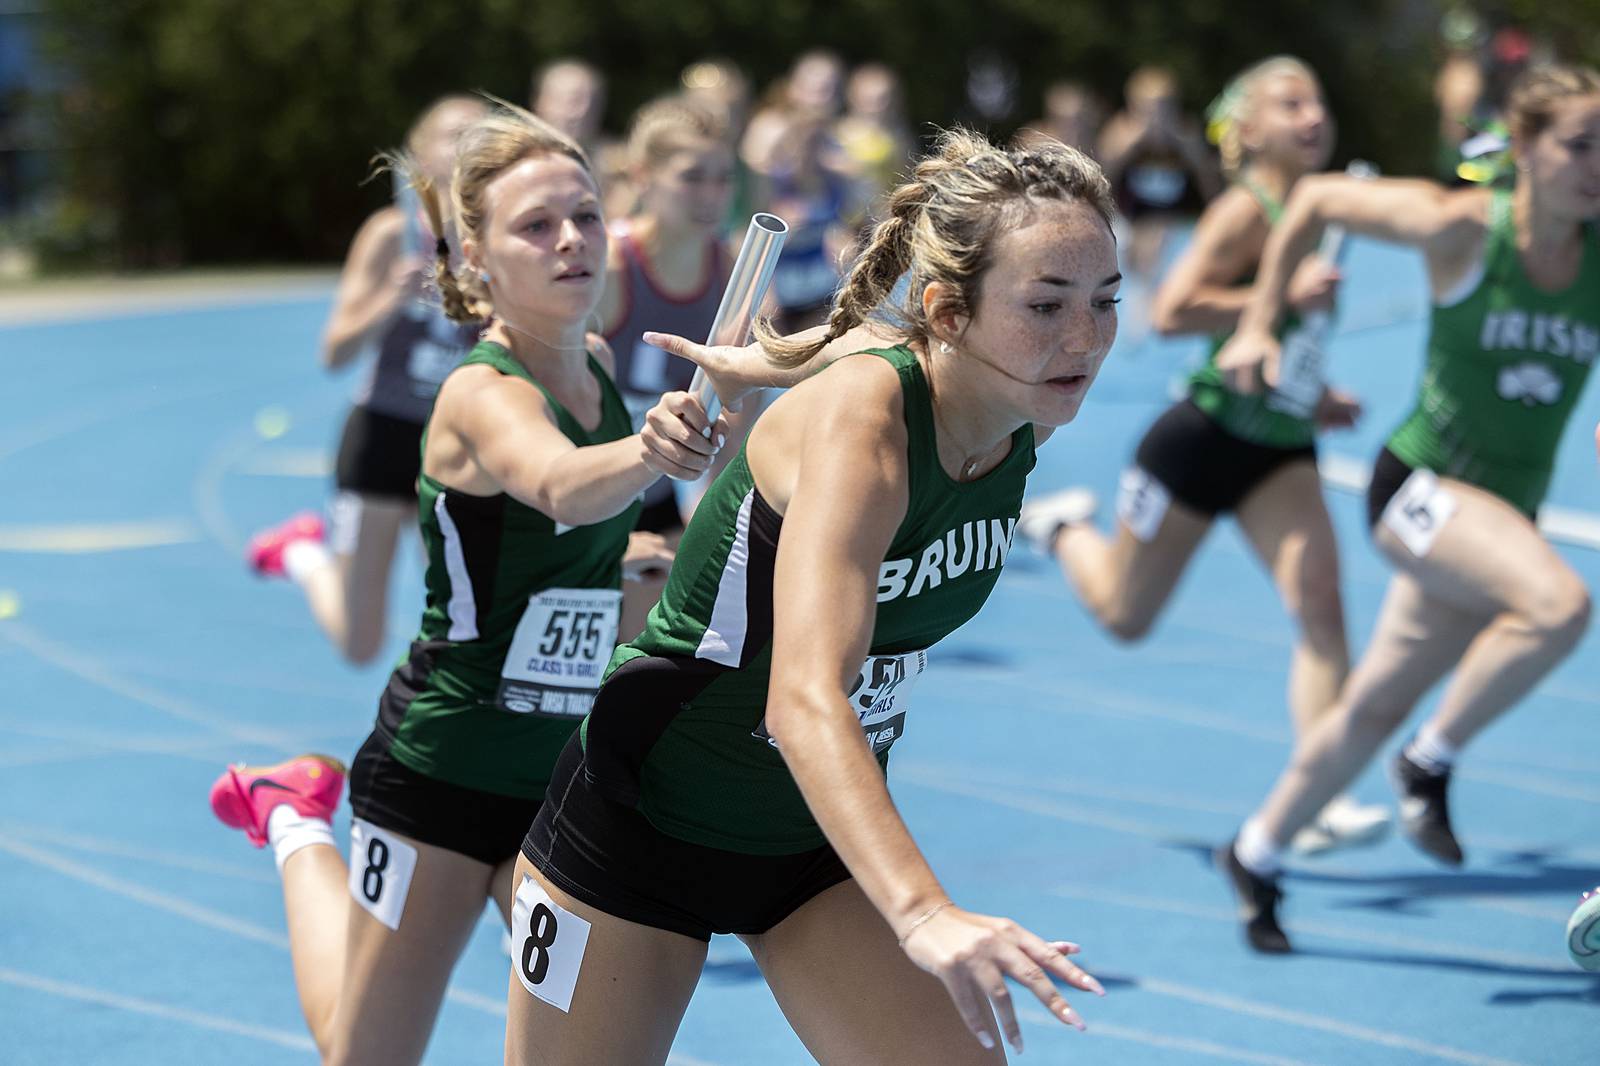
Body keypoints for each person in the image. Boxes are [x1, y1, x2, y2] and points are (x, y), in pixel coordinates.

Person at [502, 129, 1115, 1065]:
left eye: (1105, 303)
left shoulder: (1018, 407)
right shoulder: (864, 422)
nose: (1085, 339)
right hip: (642, 819)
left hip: (806, 842)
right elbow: (801, 699)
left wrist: (770, 358)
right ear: (950, 312)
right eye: (1045, 305)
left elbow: (873, 332)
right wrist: (924, 913)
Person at [208, 102, 732, 1063]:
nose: (571, 239)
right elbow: (560, 487)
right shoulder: (479, 393)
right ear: (476, 258)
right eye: (537, 225)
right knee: (364, 1054)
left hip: (561, 780)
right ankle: (291, 817)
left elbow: (580, 554)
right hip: (442, 768)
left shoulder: (606, 370)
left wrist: (640, 576)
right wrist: (651, 450)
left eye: (583, 213)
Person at [1214, 64, 1600, 953]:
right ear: (1528, 149)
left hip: (1499, 518)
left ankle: (1257, 849)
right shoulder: (1462, 226)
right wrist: (1259, 322)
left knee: (1370, 708)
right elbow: (1312, 198)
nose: (1595, 165)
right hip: (1419, 488)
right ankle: (1431, 762)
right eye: (1578, 145)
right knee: (1559, 606)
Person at [1017, 57, 1384, 855]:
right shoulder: (1247, 214)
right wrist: (1280, 296)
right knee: (1125, 616)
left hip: (1281, 444)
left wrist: (1316, 396)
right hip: (1202, 439)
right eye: (1290, 101)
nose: (1312, 112)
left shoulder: (1320, 207)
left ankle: (1319, 795)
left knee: (1322, 605)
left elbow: (1287, 341)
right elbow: (1176, 310)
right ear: (1246, 132)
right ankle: (1062, 530)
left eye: (1317, 97)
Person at [246, 95, 487, 666]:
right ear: (420, 152)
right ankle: (302, 553)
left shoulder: (504, 238)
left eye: (479, 137)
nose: (464, 148)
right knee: (361, 645)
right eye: (452, 135)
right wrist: (390, 298)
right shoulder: (391, 234)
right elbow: (335, 351)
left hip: (462, 442)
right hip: (385, 433)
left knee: (467, 626)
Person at [595, 95, 739, 637]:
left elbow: (735, 407)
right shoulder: (606, 268)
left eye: (723, 178)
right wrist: (594, 525)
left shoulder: (729, 275)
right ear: (643, 176)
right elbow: (549, 400)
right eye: (692, 176)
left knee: (629, 676)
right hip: (574, 496)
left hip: (652, 502)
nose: (711, 195)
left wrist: (704, 513)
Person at [1099, 65, 1222, 279]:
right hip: (1129, 228)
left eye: (1165, 109)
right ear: (1132, 108)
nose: (1157, 118)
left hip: (1176, 228)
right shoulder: (1118, 134)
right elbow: (1097, 189)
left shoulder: (1188, 136)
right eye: (1147, 110)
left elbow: (1214, 197)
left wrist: (1195, 156)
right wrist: (1127, 148)